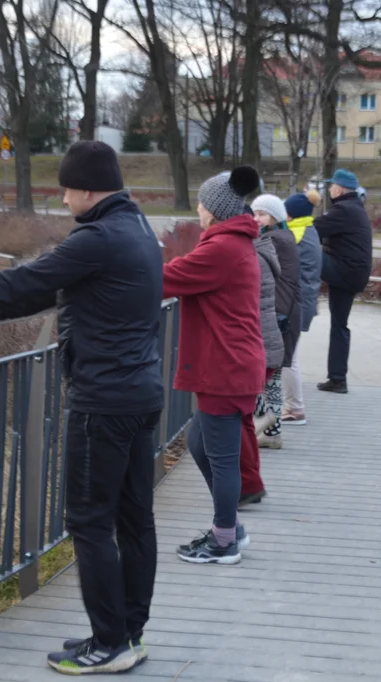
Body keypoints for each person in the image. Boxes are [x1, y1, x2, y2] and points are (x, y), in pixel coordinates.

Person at [0, 140, 164, 675]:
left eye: (66, 190)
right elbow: (46, 292)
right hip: (140, 393)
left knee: (89, 521)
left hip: (102, 402)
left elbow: (25, 279)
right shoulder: (137, 231)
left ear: (87, 189)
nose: (64, 200)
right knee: (134, 519)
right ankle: (127, 634)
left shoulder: (98, 237)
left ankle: (109, 642)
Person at [162, 166, 265, 564]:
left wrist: (121, 270)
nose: (199, 208)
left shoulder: (223, 248)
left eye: (203, 201)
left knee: (221, 457)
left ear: (216, 209)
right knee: (199, 444)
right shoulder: (230, 243)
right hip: (227, 365)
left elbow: (166, 277)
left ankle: (225, 542)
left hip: (227, 367)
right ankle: (230, 527)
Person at [236, 199, 285, 507]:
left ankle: (248, 484)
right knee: (242, 417)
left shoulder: (251, 253)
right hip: (264, 343)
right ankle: (250, 483)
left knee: (238, 418)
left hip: (257, 345)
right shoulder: (258, 248)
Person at [314, 169, 372, 394]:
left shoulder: (344, 210)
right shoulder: (353, 208)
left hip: (346, 271)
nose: (329, 190)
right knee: (339, 325)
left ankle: (294, 292)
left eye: (331, 187)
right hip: (352, 273)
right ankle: (338, 379)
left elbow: (313, 230)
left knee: (306, 252)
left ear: (339, 189)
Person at [251, 193, 301, 448]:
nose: (256, 218)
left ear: (275, 217)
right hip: (285, 314)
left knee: (256, 374)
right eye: (255, 213)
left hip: (275, 315)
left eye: (262, 214)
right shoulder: (285, 237)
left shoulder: (271, 240)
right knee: (272, 377)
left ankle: (264, 418)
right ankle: (273, 435)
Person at [280, 191, 324, 425]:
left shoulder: (296, 235)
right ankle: (292, 406)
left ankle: (296, 409)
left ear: (290, 214)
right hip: (302, 302)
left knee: (288, 358)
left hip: (294, 304)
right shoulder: (308, 230)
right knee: (287, 356)